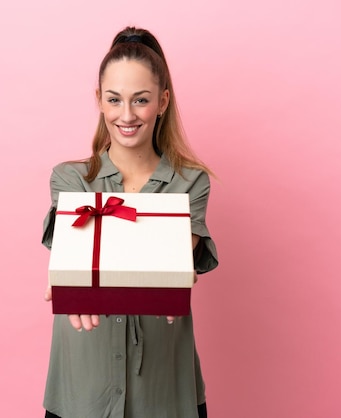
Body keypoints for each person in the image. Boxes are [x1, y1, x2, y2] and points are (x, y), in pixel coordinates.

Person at [41, 26, 219, 418]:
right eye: (114, 100)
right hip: (82, 390)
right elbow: (70, 264)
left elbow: (174, 268)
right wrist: (68, 279)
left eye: (140, 100)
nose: (126, 115)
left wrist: (90, 275)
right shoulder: (70, 180)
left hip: (163, 390)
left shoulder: (191, 183)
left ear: (162, 102)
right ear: (99, 102)